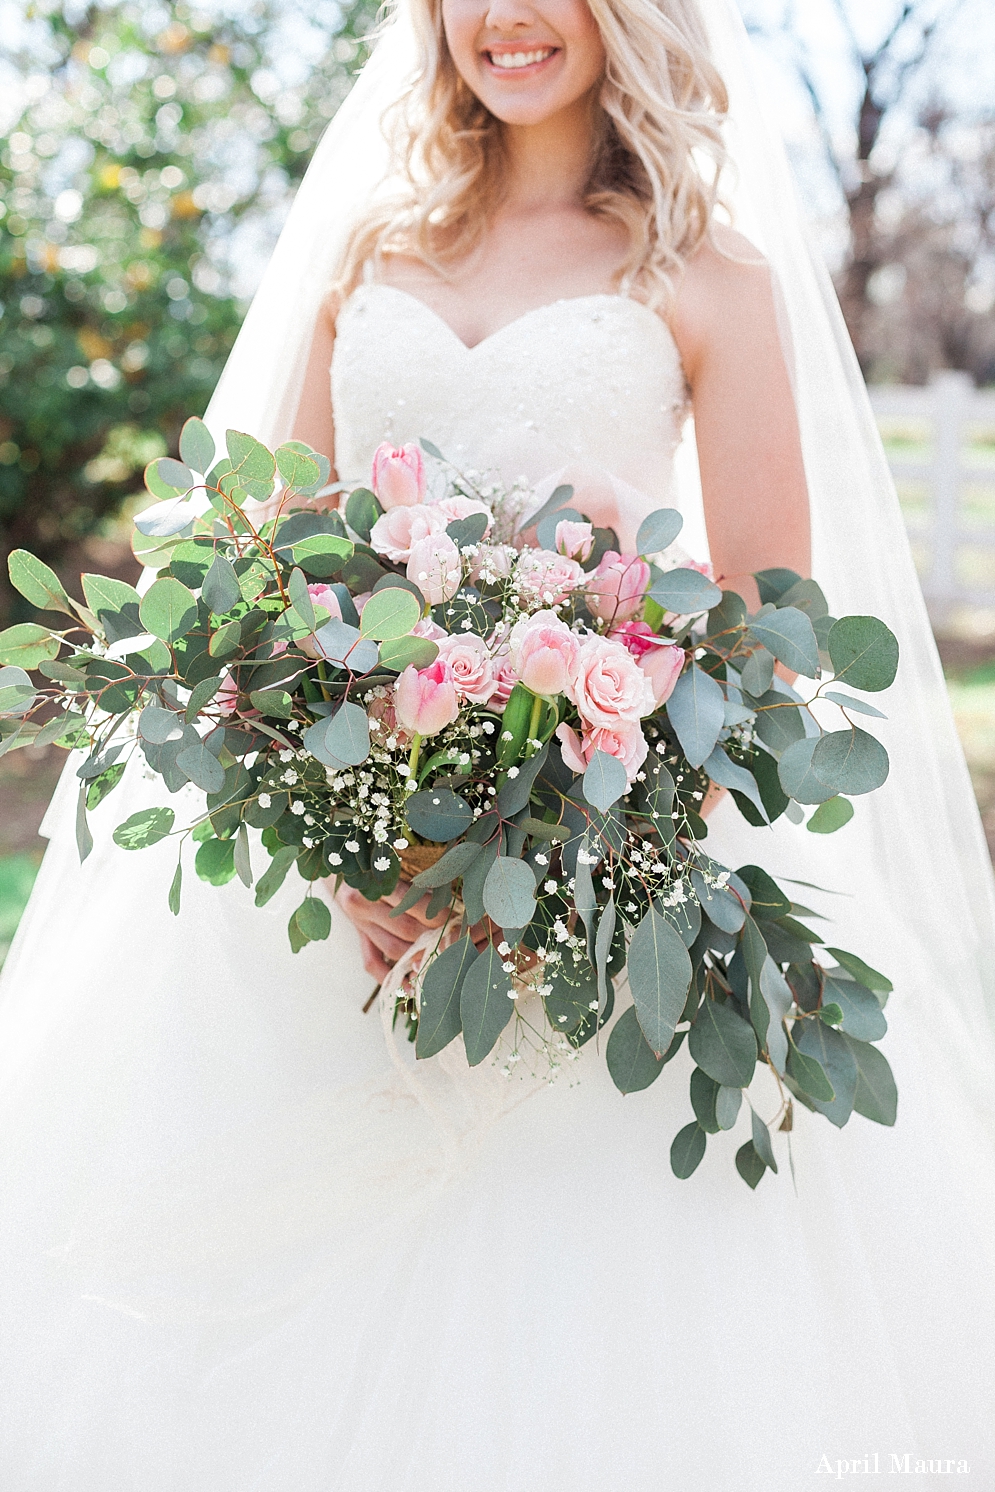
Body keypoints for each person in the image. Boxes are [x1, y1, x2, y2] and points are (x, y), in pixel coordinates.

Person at [0, 0, 992, 1486]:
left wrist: (561, 833)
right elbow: (262, 572)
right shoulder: (364, 251)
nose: (500, 18)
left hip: (605, 864)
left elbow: (766, 620)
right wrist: (350, 853)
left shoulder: (707, 271)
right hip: (347, 876)